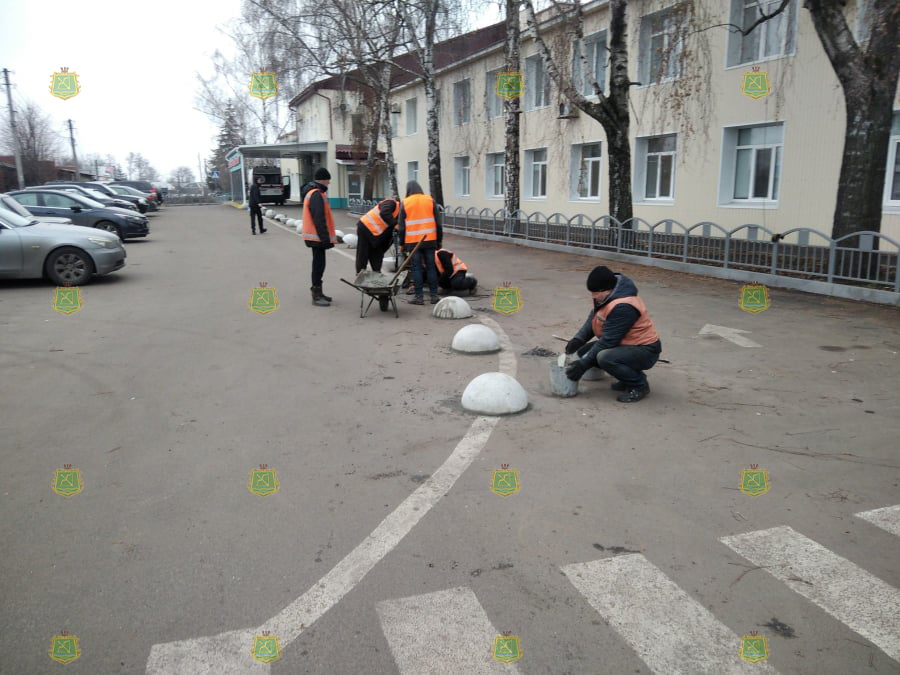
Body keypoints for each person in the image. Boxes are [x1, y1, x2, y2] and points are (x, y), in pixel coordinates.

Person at [564, 265, 662, 403]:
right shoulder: (605, 296)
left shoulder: (623, 306)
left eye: (595, 293)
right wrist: (578, 340)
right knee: (584, 351)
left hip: (646, 350)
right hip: (627, 344)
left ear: (607, 289)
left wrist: (583, 365)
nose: (593, 296)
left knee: (604, 357)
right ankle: (627, 377)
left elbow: (608, 342)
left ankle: (639, 385)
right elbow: (594, 319)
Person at [397, 180, 442, 305]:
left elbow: (401, 227)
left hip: (413, 242)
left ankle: (419, 297)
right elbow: (438, 223)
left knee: (416, 269)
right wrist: (439, 241)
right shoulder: (430, 200)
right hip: (430, 240)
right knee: (431, 267)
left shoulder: (405, 203)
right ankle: (434, 296)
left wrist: (402, 244)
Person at [300, 168, 336, 307]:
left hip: (315, 237)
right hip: (316, 237)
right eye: (328, 180)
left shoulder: (315, 192)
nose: (329, 183)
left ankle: (319, 292)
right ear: (322, 180)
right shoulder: (316, 194)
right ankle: (316, 294)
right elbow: (319, 219)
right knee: (318, 265)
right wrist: (325, 239)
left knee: (319, 264)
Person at [356, 198, 400, 274]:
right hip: (365, 227)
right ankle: (360, 274)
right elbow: (384, 213)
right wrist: (395, 225)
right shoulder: (392, 203)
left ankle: (376, 273)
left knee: (377, 253)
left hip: (377, 234)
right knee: (363, 253)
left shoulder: (400, 214)